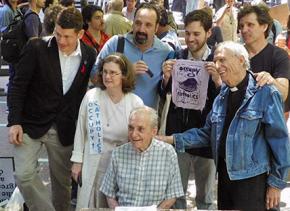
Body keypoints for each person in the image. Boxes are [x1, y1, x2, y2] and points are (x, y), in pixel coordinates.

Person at [157, 41, 290, 211]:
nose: (217, 65)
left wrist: (276, 184)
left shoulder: (265, 92)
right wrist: (170, 139)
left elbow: (280, 140)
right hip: (225, 177)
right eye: (215, 60)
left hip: (253, 180)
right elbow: (207, 134)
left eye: (222, 60)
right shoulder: (222, 96)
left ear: (241, 60)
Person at [7, 7, 96, 211]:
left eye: (67, 36)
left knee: (62, 187)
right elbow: (18, 85)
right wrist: (14, 122)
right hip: (30, 125)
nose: (61, 40)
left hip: (64, 129)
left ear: (80, 34)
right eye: (57, 34)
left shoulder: (89, 55)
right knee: (24, 175)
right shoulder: (36, 47)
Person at [159, 9, 221, 210]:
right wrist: (166, 78)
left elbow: (227, 99)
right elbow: (165, 94)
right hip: (178, 134)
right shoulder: (177, 56)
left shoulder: (218, 59)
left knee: (205, 196)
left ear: (208, 33)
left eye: (196, 34)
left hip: (206, 136)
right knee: (176, 194)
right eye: (187, 33)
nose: (191, 38)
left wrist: (218, 81)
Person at [70, 53, 143, 210]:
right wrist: (77, 162)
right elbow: (81, 132)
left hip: (122, 164)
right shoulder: (92, 97)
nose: (107, 76)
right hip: (93, 161)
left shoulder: (135, 102)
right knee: (89, 202)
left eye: (113, 73)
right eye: (104, 71)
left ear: (123, 75)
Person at [100, 106, 184, 208]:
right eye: (131, 128)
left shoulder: (168, 153)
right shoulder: (118, 153)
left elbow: (173, 194)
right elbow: (109, 193)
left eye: (140, 129)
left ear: (154, 131)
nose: (134, 134)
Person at [93, 3, 173, 108]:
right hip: (114, 116)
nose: (141, 29)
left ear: (156, 27)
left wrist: (167, 79)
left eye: (148, 25)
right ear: (132, 23)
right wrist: (127, 73)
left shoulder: (166, 52)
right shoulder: (116, 44)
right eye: (138, 23)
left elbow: (167, 92)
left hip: (145, 121)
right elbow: (94, 77)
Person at [238, 5, 290, 103]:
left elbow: (283, 95)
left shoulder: (278, 55)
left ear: (264, 26)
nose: (244, 30)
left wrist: (271, 81)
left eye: (250, 25)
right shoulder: (235, 54)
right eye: (241, 26)